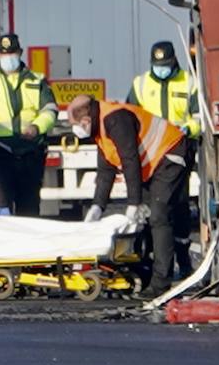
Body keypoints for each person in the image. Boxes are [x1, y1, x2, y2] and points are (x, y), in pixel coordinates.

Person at [68, 94, 187, 299]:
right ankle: (148, 272)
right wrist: (97, 206)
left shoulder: (115, 119)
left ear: (86, 120)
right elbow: (106, 170)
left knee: (159, 216)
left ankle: (161, 284)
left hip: (170, 152)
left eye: (77, 125)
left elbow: (129, 158)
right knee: (147, 219)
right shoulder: (100, 129)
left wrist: (134, 202)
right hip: (154, 163)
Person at [127, 41, 201, 276]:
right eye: (157, 66)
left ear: (174, 62)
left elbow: (199, 117)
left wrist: (188, 128)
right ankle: (153, 261)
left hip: (179, 153)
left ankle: (183, 261)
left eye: (165, 65)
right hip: (150, 155)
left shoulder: (188, 82)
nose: (161, 69)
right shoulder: (140, 85)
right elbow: (130, 117)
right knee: (154, 210)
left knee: (178, 207)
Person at [0, 33, 58, 215]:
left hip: (29, 152)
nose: (8, 57)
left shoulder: (36, 79)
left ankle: (28, 243)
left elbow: (50, 110)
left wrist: (36, 127)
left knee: (29, 209)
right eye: (4, 53)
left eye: (12, 53)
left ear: (20, 52)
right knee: (1, 207)